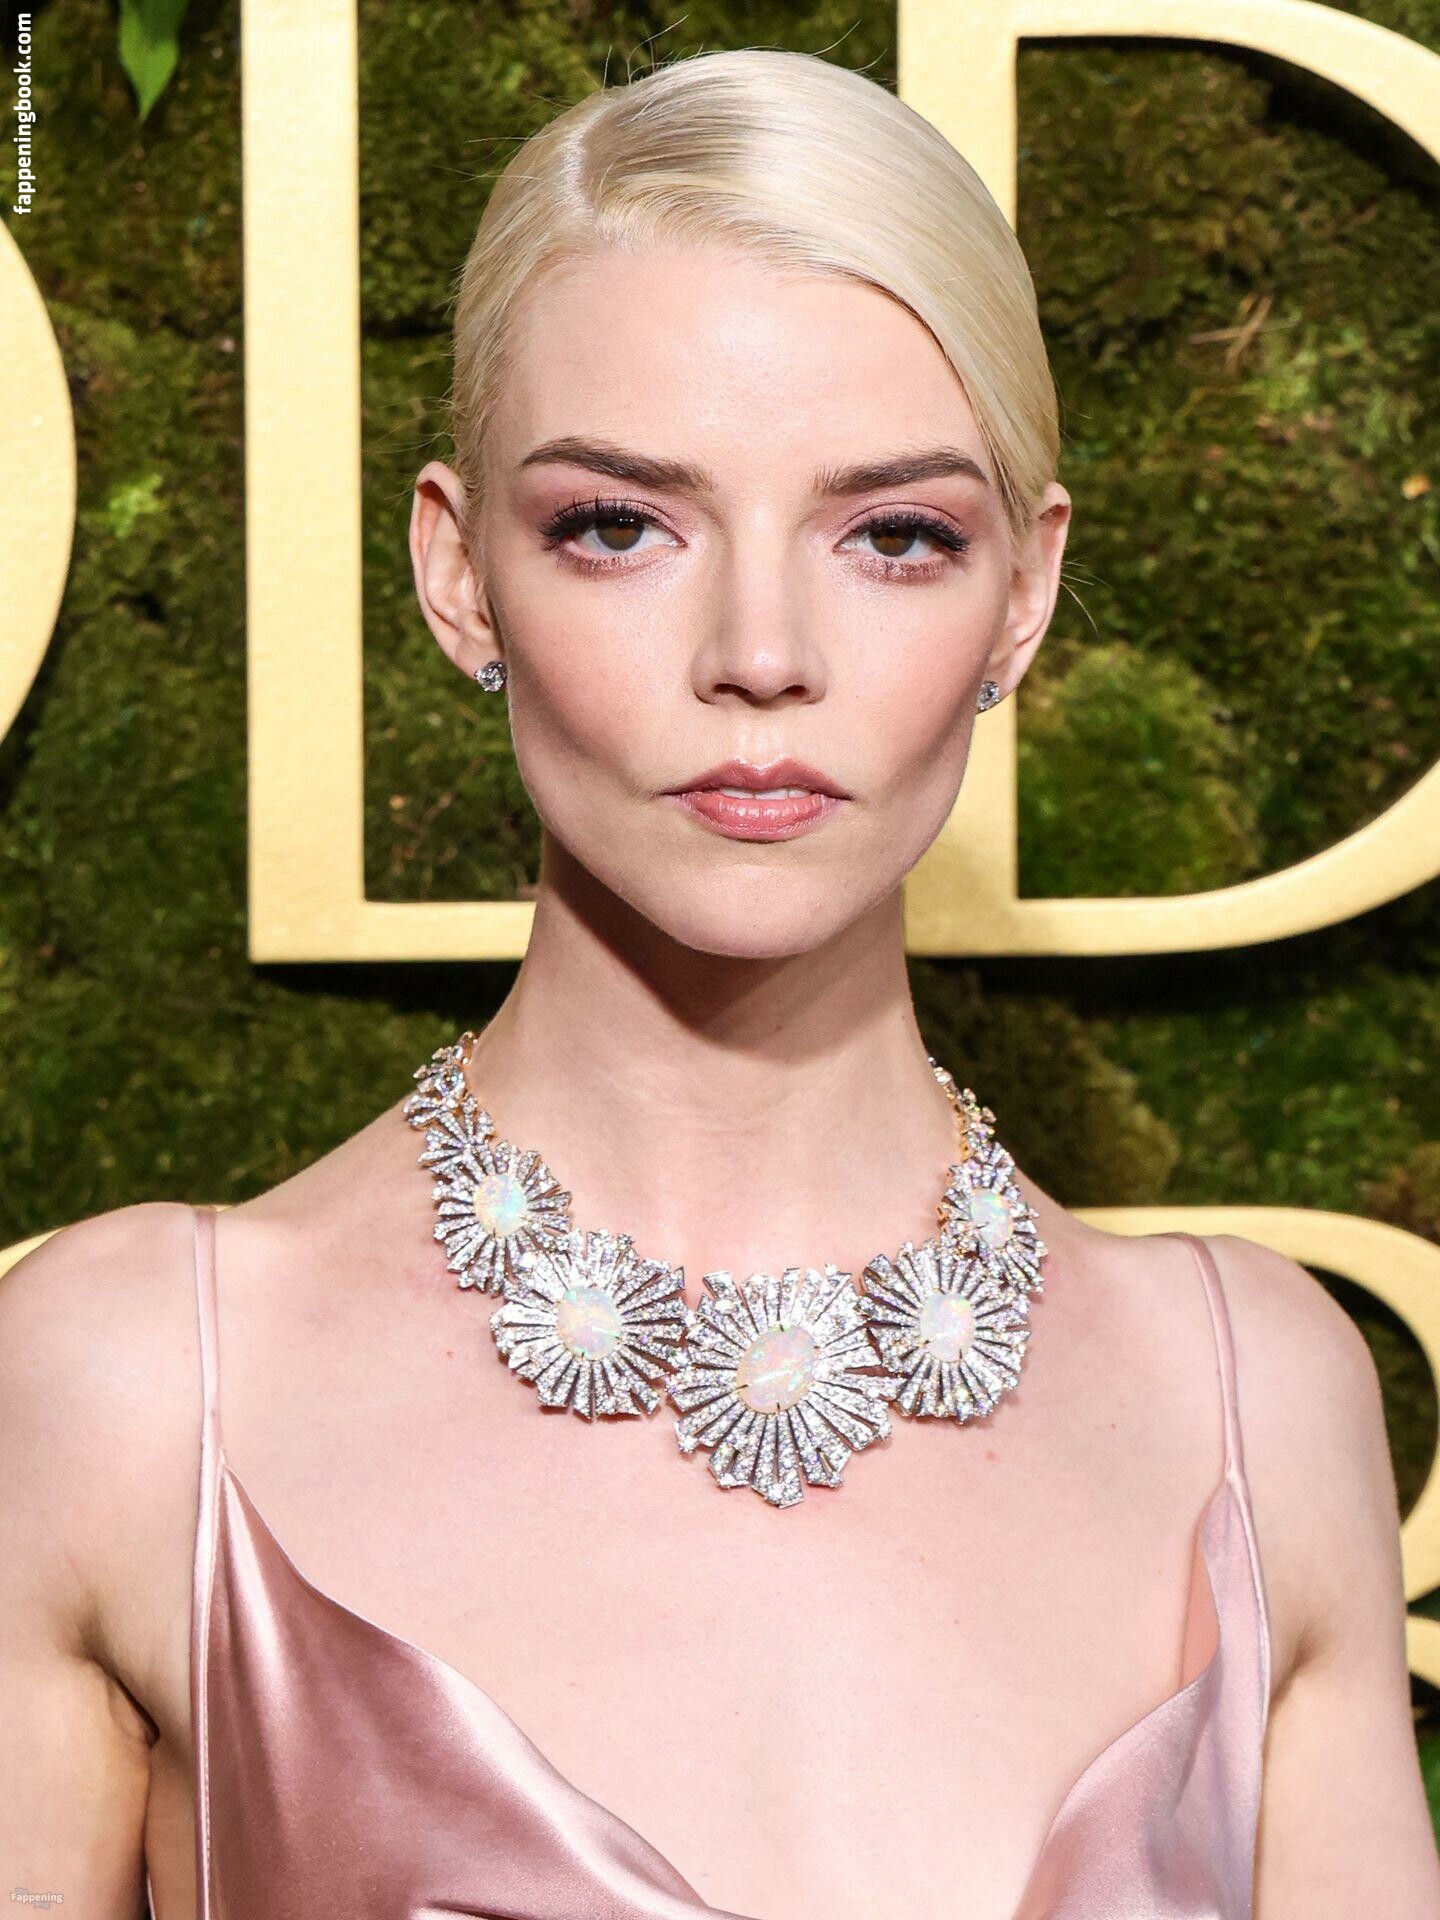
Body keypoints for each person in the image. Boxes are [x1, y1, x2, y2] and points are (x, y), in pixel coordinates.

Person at [2, 43, 1435, 1920]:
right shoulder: (132, 1388)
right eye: (619, 526)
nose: (761, 652)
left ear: (1021, 595)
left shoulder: (1254, 1399)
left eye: (895, 536)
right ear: (459, 574)